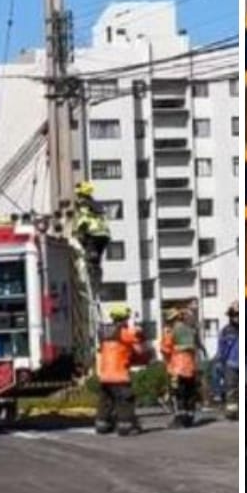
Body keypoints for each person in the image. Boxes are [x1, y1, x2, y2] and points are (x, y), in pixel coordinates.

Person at [95, 304, 144, 437]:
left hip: (105, 376)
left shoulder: (104, 332)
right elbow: (138, 344)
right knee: (125, 401)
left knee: (106, 401)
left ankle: (102, 425)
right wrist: (139, 329)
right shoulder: (124, 332)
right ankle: (125, 426)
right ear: (124, 319)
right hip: (119, 375)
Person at [161, 309, 202, 428]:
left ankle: (179, 420)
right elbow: (196, 347)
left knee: (178, 394)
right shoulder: (190, 330)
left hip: (177, 368)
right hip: (190, 367)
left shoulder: (171, 331)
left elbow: (165, 349)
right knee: (189, 394)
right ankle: (189, 418)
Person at [72, 181, 111, 283]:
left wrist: (78, 231)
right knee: (96, 261)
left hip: (92, 233)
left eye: (78, 194)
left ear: (81, 194)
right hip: (104, 235)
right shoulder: (96, 204)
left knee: (91, 256)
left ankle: (90, 275)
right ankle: (96, 278)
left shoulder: (83, 204)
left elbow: (84, 219)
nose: (77, 196)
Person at [217, 301, 240, 421]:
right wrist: (220, 363)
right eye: (234, 315)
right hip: (231, 364)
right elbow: (221, 348)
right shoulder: (226, 331)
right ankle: (232, 413)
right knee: (231, 389)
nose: (236, 317)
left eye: (238, 314)